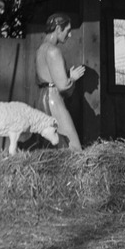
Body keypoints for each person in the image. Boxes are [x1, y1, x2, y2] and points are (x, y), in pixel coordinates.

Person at [35, 12, 86, 150]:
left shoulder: (40, 49)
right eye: (68, 31)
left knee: (52, 144)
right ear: (58, 29)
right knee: (73, 145)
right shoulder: (53, 51)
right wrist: (73, 78)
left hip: (42, 97)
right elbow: (63, 86)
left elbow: (46, 76)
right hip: (53, 99)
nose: (69, 35)